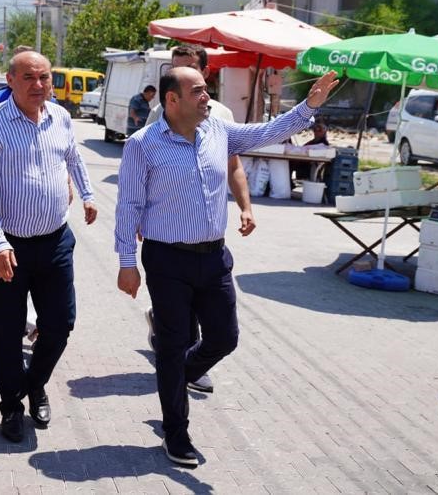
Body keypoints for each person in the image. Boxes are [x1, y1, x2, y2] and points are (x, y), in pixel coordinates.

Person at [114, 67, 339, 467]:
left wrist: (308, 107)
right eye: (198, 91)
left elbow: (268, 131)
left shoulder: (219, 131)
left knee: (224, 338)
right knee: (173, 345)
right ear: (172, 100)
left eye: (207, 90)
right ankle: (176, 433)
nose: (207, 97)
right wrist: (127, 262)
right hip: (167, 260)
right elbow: (128, 205)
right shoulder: (142, 145)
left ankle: (176, 376)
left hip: (214, 258)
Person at [0, 50, 98, 443]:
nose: (39, 85)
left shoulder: (60, 117)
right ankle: (11, 404)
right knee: (6, 332)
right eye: (29, 77)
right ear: (10, 80)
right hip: (7, 248)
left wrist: (89, 195)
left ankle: (35, 382)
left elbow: (73, 156)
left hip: (55, 242)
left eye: (44, 77)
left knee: (60, 323)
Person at [144, 44, 255, 394]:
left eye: (188, 67)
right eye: (172, 69)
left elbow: (233, 165)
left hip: (207, 231)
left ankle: (185, 367)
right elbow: (143, 164)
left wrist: (245, 206)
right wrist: (139, 217)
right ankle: (182, 373)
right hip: (169, 236)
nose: (176, 75)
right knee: (182, 317)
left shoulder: (220, 115)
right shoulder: (160, 110)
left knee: (218, 326)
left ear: (205, 72)